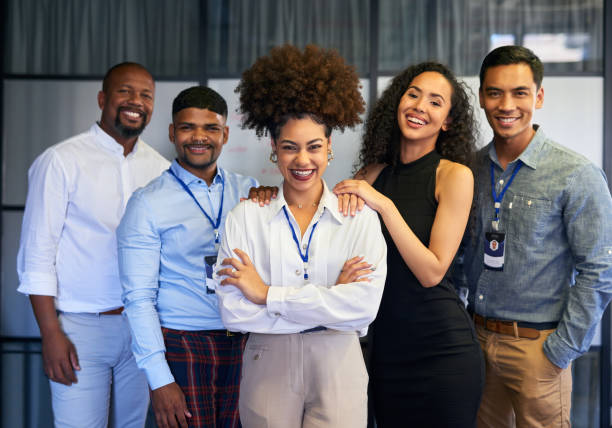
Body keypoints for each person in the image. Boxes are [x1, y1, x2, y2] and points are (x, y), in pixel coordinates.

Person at [214, 44, 387, 428]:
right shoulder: (246, 217)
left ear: (329, 148)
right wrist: (330, 304)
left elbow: (363, 309)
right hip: (267, 359)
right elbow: (233, 311)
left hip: (339, 361)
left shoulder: (357, 216)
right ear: (273, 149)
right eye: (290, 148)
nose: (302, 161)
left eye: (314, 147)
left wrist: (266, 295)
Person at [451, 45, 612, 427]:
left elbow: (600, 269)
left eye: (520, 92)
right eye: (495, 92)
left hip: (538, 348)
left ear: (538, 96)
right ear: (481, 97)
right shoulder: (466, 169)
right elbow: (457, 256)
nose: (507, 105)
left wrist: (560, 350)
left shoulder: (575, 173)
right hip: (476, 341)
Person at [16, 62, 169, 428]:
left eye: (145, 95)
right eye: (125, 92)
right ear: (103, 98)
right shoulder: (60, 161)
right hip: (79, 329)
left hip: (142, 328)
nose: (136, 101)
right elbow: (37, 256)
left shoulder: (161, 169)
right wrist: (51, 333)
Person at [333, 62, 485, 427]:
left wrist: (384, 204)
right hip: (384, 350)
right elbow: (329, 234)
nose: (419, 106)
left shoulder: (453, 175)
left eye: (435, 102)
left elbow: (432, 271)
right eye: (413, 94)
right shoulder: (370, 174)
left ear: (448, 121)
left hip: (443, 351)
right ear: (397, 102)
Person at [117, 86, 258, 428]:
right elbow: (138, 299)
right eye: (187, 127)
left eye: (210, 128)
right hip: (183, 345)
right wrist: (160, 379)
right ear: (172, 133)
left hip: (245, 341)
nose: (199, 137)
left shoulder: (250, 191)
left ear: (225, 134)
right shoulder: (147, 202)